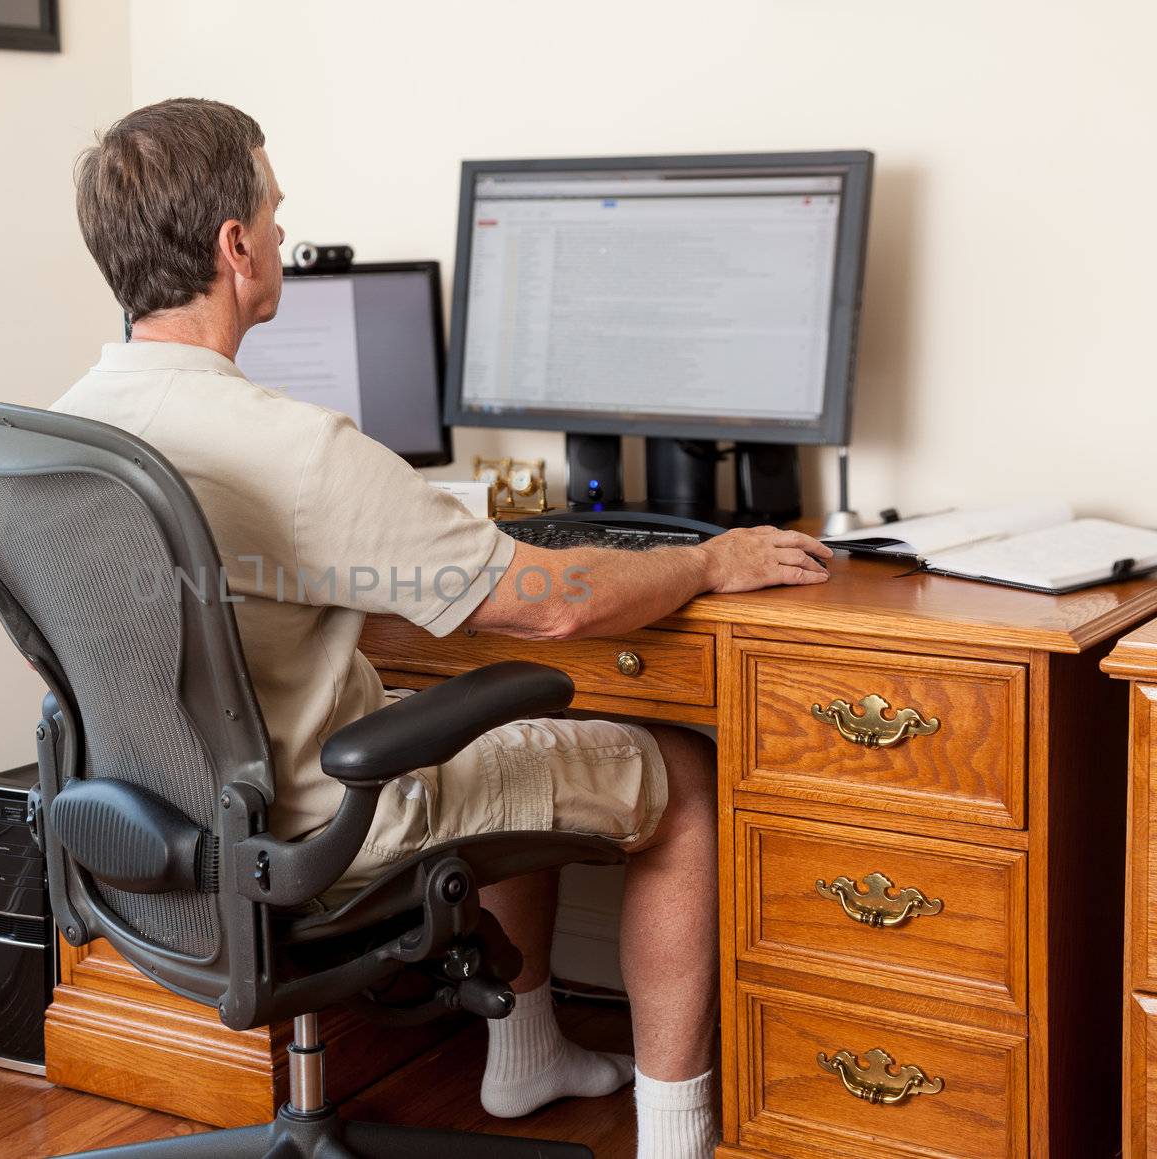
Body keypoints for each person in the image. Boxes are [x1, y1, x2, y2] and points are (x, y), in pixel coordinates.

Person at [53, 98, 832, 1159]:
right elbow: (557, 601)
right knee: (682, 780)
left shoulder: (65, 432)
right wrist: (708, 558)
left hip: (159, 828)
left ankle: (525, 1057)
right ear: (235, 247)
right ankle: (675, 1142)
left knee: (496, 729)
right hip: (323, 819)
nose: (282, 231)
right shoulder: (292, 449)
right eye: (273, 212)